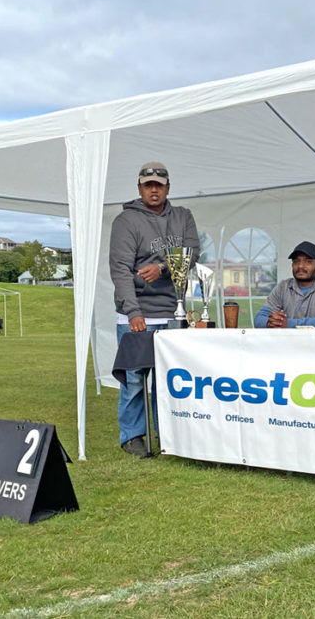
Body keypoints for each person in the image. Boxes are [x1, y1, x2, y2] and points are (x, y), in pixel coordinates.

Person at [109, 161, 199, 458]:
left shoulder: (183, 216)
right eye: (148, 185)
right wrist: (133, 312)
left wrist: (162, 268)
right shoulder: (126, 221)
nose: (153, 190)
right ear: (140, 188)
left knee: (169, 380)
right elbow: (120, 270)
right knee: (135, 378)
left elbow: (191, 253)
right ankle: (132, 436)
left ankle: (167, 434)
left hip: (174, 311)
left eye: (159, 185)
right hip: (138, 313)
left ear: (167, 188)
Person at [254, 241, 315, 328]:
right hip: (288, 341)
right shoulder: (283, 287)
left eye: (308, 262)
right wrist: (270, 323)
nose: (300, 266)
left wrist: (287, 324)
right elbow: (259, 318)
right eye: (296, 261)